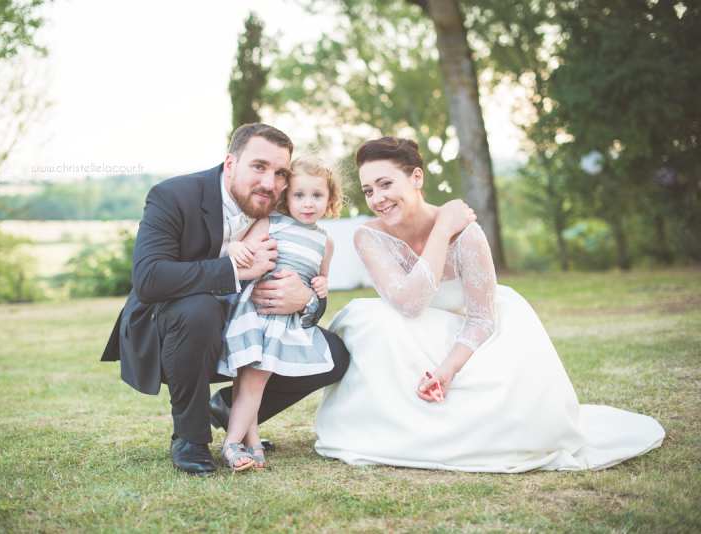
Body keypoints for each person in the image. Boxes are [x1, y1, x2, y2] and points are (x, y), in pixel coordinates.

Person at [314, 136, 665, 472]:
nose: (377, 198)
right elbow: (410, 304)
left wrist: (448, 369)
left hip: (470, 337)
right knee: (368, 317)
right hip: (410, 335)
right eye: (368, 190)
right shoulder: (369, 236)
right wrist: (440, 231)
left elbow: (482, 319)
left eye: (385, 184)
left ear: (416, 177)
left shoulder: (467, 233)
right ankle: (389, 424)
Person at [100, 124, 349, 476]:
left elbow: (308, 275)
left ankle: (231, 411)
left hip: (253, 321)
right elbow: (149, 279)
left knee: (334, 355)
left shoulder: (280, 209)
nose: (270, 181)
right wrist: (234, 270)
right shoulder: (172, 195)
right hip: (177, 325)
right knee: (199, 309)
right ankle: (191, 437)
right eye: (258, 166)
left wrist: (306, 297)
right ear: (230, 162)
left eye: (280, 173)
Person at [218, 156, 341, 471]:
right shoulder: (270, 221)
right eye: (299, 195)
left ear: (330, 199)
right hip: (255, 309)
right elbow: (236, 246)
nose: (308, 203)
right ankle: (233, 444)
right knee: (251, 380)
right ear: (286, 195)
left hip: (282, 320)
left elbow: (319, 278)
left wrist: (321, 285)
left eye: (317, 195)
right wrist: (234, 250)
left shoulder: (326, 241)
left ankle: (249, 441)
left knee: (254, 380)